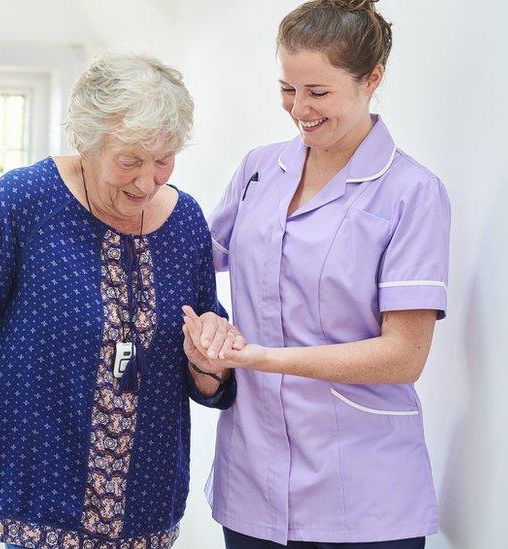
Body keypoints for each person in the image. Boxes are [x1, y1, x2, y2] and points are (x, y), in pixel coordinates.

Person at [0, 52, 238, 549]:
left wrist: (212, 361)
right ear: (85, 142)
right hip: (36, 492)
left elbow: (202, 348)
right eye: (129, 160)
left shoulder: (186, 221)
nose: (147, 181)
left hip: (145, 503)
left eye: (163, 160)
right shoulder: (24, 201)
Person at [182, 1, 451, 547]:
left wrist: (259, 359)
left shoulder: (411, 192)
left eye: (319, 93)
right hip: (254, 484)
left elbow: (405, 355)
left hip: (364, 494)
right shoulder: (259, 169)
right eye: (288, 89)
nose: (299, 108)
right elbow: (186, 262)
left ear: (373, 78)